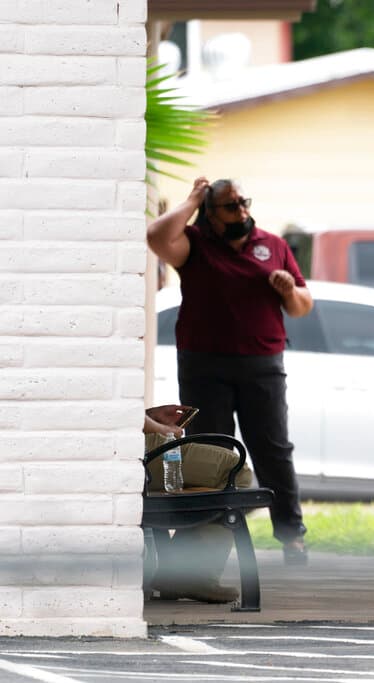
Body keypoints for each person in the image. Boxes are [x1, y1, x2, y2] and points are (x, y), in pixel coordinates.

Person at [146, 177, 313, 565]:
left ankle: (292, 537)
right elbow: (156, 237)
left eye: (243, 202)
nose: (242, 211)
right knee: (211, 449)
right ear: (210, 213)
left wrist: (288, 290)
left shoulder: (273, 245)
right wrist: (193, 198)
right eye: (230, 206)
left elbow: (303, 305)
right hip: (205, 365)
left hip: (262, 365)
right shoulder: (194, 243)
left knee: (273, 451)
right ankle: (206, 546)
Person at [143, 405, 254, 603]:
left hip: (113, 445)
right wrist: (161, 429)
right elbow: (119, 412)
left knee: (224, 472)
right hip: (124, 445)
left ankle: (179, 572)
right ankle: (189, 575)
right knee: (233, 469)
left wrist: (148, 416)